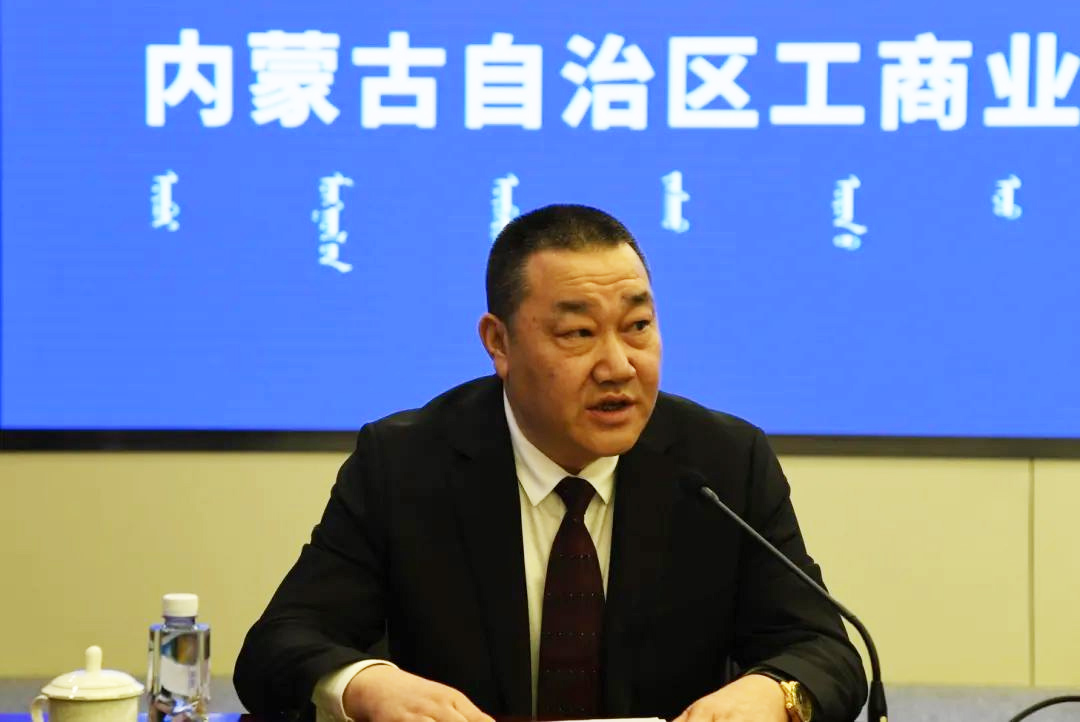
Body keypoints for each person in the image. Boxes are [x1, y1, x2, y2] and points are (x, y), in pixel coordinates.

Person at [234, 204, 867, 722]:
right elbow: (278, 646)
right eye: (578, 334)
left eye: (638, 326)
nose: (618, 366)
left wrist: (772, 693)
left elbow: (824, 649)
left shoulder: (722, 463)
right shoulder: (405, 464)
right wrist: (366, 684)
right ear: (499, 343)